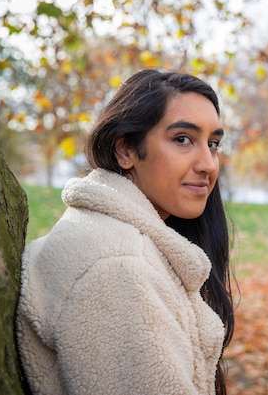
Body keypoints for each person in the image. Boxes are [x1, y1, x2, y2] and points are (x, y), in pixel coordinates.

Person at [16, 69, 235, 395]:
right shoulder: (117, 267)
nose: (208, 164)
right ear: (126, 151)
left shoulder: (106, 236)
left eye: (213, 143)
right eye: (182, 139)